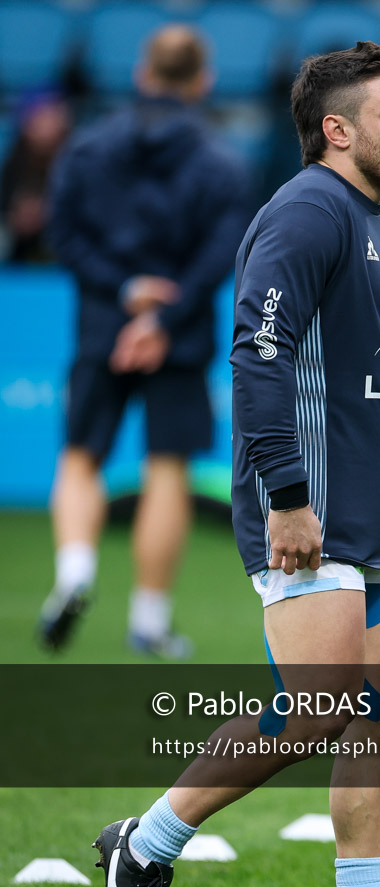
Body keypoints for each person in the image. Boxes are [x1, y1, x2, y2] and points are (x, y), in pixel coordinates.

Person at [92, 41, 380, 887]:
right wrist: (290, 499)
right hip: (303, 509)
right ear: (337, 129)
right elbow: (256, 360)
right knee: (316, 710)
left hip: (378, 515)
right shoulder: (308, 210)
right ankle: (143, 847)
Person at [36, 25, 251, 658]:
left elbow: (64, 236)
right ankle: (150, 621)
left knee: (80, 457)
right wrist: (162, 318)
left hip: (103, 326)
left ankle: (75, 573)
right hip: (178, 339)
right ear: (203, 79)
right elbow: (221, 255)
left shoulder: (85, 149)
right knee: (167, 472)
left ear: (142, 72)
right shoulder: (223, 161)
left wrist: (128, 292)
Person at [0, 88, 72, 263]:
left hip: (64, 237)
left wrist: (48, 212)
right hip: (18, 241)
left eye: (53, 115)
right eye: (42, 116)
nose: (49, 123)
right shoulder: (14, 158)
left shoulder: (75, 156)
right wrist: (16, 215)